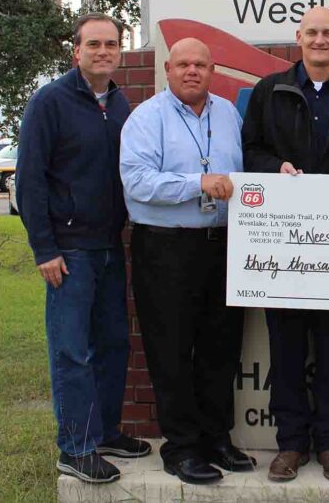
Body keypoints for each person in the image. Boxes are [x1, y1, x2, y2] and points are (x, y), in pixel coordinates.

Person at [241, 7, 329, 483]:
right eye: (312, 33)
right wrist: (272, 167)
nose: (320, 40)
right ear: (298, 38)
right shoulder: (269, 91)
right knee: (286, 346)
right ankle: (291, 443)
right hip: (283, 244)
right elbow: (249, 151)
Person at [16, 12, 152, 484]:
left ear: (120, 50)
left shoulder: (120, 105)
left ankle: (107, 431)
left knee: (113, 344)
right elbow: (29, 181)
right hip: (68, 253)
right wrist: (44, 249)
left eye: (111, 44)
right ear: (76, 51)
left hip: (110, 247)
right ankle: (74, 447)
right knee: (73, 351)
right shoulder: (49, 102)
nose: (103, 51)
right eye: (93, 44)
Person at [119, 37, 254, 485]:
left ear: (212, 70)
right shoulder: (146, 118)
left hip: (223, 245)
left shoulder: (228, 114)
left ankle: (217, 438)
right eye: (183, 64)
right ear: (168, 70)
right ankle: (181, 447)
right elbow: (138, 183)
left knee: (221, 347)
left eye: (200, 64)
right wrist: (198, 183)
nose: (192, 71)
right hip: (166, 247)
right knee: (171, 350)